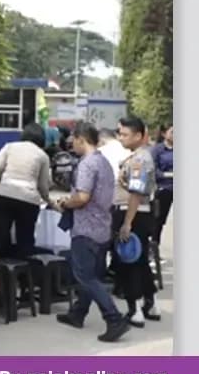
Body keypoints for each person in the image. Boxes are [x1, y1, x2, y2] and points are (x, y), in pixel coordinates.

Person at [53, 123, 130, 342]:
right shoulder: (104, 162)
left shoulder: (87, 164)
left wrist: (66, 203)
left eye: (73, 141)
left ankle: (114, 318)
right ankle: (78, 313)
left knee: (84, 276)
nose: (71, 145)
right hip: (102, 227)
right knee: (92, 275)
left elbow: (83, 197)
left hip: (86, 228)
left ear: (80, 139)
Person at [112, 116, 160, 327]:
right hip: (140, 214)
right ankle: (151, 303)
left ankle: (136, 309)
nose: (121, 138)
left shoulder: (140, 159)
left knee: (129, 262)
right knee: (140, 262)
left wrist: (127, 223)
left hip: (135, 214)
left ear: (139, 136)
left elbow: (136, 193)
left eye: (124, 134)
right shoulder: (137, 157)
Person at [0, 123, 53, 260]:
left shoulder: (10, 146)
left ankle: (1, 272)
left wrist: (3, 180)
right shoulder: (42, 155)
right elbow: (43, 185)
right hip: (28, 200)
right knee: (25, 241)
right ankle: (25, 276)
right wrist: (49, 200)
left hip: (3, 196)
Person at [150, 125, 173, 246]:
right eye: (172, 132)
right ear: (164, 134)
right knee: (158, 220)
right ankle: (153, 247)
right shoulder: (157, 150)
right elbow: (153, 170)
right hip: (163, 189)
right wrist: (168, 175)